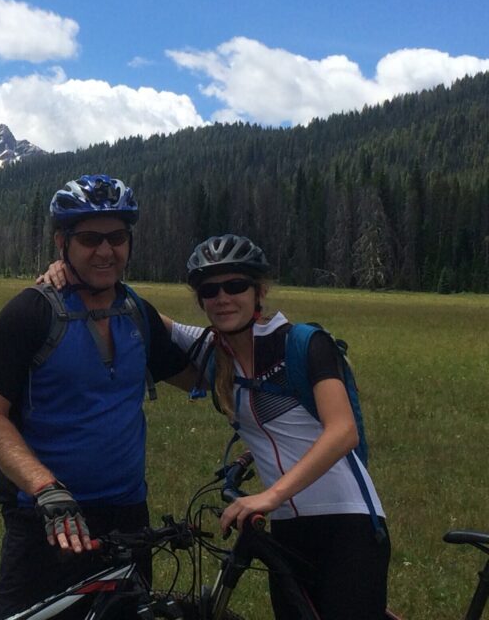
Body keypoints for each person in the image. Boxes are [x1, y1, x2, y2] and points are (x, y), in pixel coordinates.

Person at [41, 233, 391, 619]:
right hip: (286, 530)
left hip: (348, 521)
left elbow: (342, 431)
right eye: (210, 290)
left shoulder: (304, 344)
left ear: (259, 291)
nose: (223, 298)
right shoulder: (212, 350)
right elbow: (134, 308)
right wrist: (71, 271)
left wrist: (269, 496)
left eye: (236, 285)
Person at [0, 175, 196, 620]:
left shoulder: (137, 313)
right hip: (47, 517)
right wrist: (45, 488)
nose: (106, 251)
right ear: (63, 242)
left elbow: (198, 375)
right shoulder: (30, 313)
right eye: (90, 239)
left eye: (117, 238)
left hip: (128, 518)